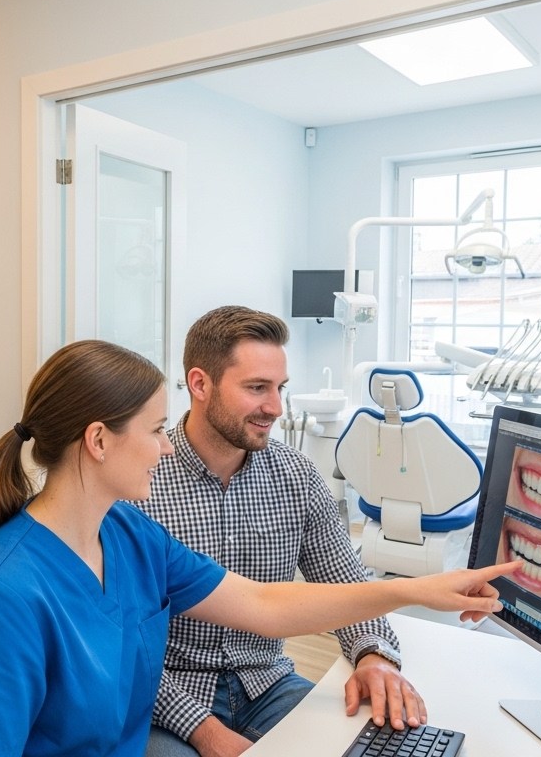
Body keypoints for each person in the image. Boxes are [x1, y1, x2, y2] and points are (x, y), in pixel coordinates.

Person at [0, 338, 519, 757]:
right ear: (99, 441)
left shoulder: (128, 536)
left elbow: (264, 606)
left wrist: (417, 590)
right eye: (157, 430)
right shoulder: (0, 596)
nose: (166, 449)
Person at [133, 306, 428, 757]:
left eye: (279, 388)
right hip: (169, 696)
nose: (275, 407)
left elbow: (345, 586)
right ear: (200, 384)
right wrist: (205, 732)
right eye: (256, 388)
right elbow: (125, 647)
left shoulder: (296, 476)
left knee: (379, 745)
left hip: (267, 683)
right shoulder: (140, 484)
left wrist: (373, 656)